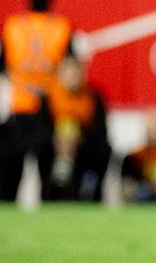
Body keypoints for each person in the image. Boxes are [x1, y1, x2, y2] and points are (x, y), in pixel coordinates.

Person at [0, 0, 74, 200]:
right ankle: (47, 203)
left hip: (18, 103)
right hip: (48, 105)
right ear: (50, 3)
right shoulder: (61, 27)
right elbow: (70, 66)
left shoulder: (13, 25)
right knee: (45, 163)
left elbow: (0, 66)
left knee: (14, 163)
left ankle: (9, 203)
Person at [44, 56, 110, 201]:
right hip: (54, 144)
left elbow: (100, 129)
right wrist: (57, 139)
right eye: (70, 75)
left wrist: (80, 138)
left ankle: (90, 194)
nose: (73, 78)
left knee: (103, 150)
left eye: (76, 74)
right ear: (61, 76)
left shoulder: (92, 97)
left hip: (84, 143)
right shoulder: (50, 97)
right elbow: (43, 126)